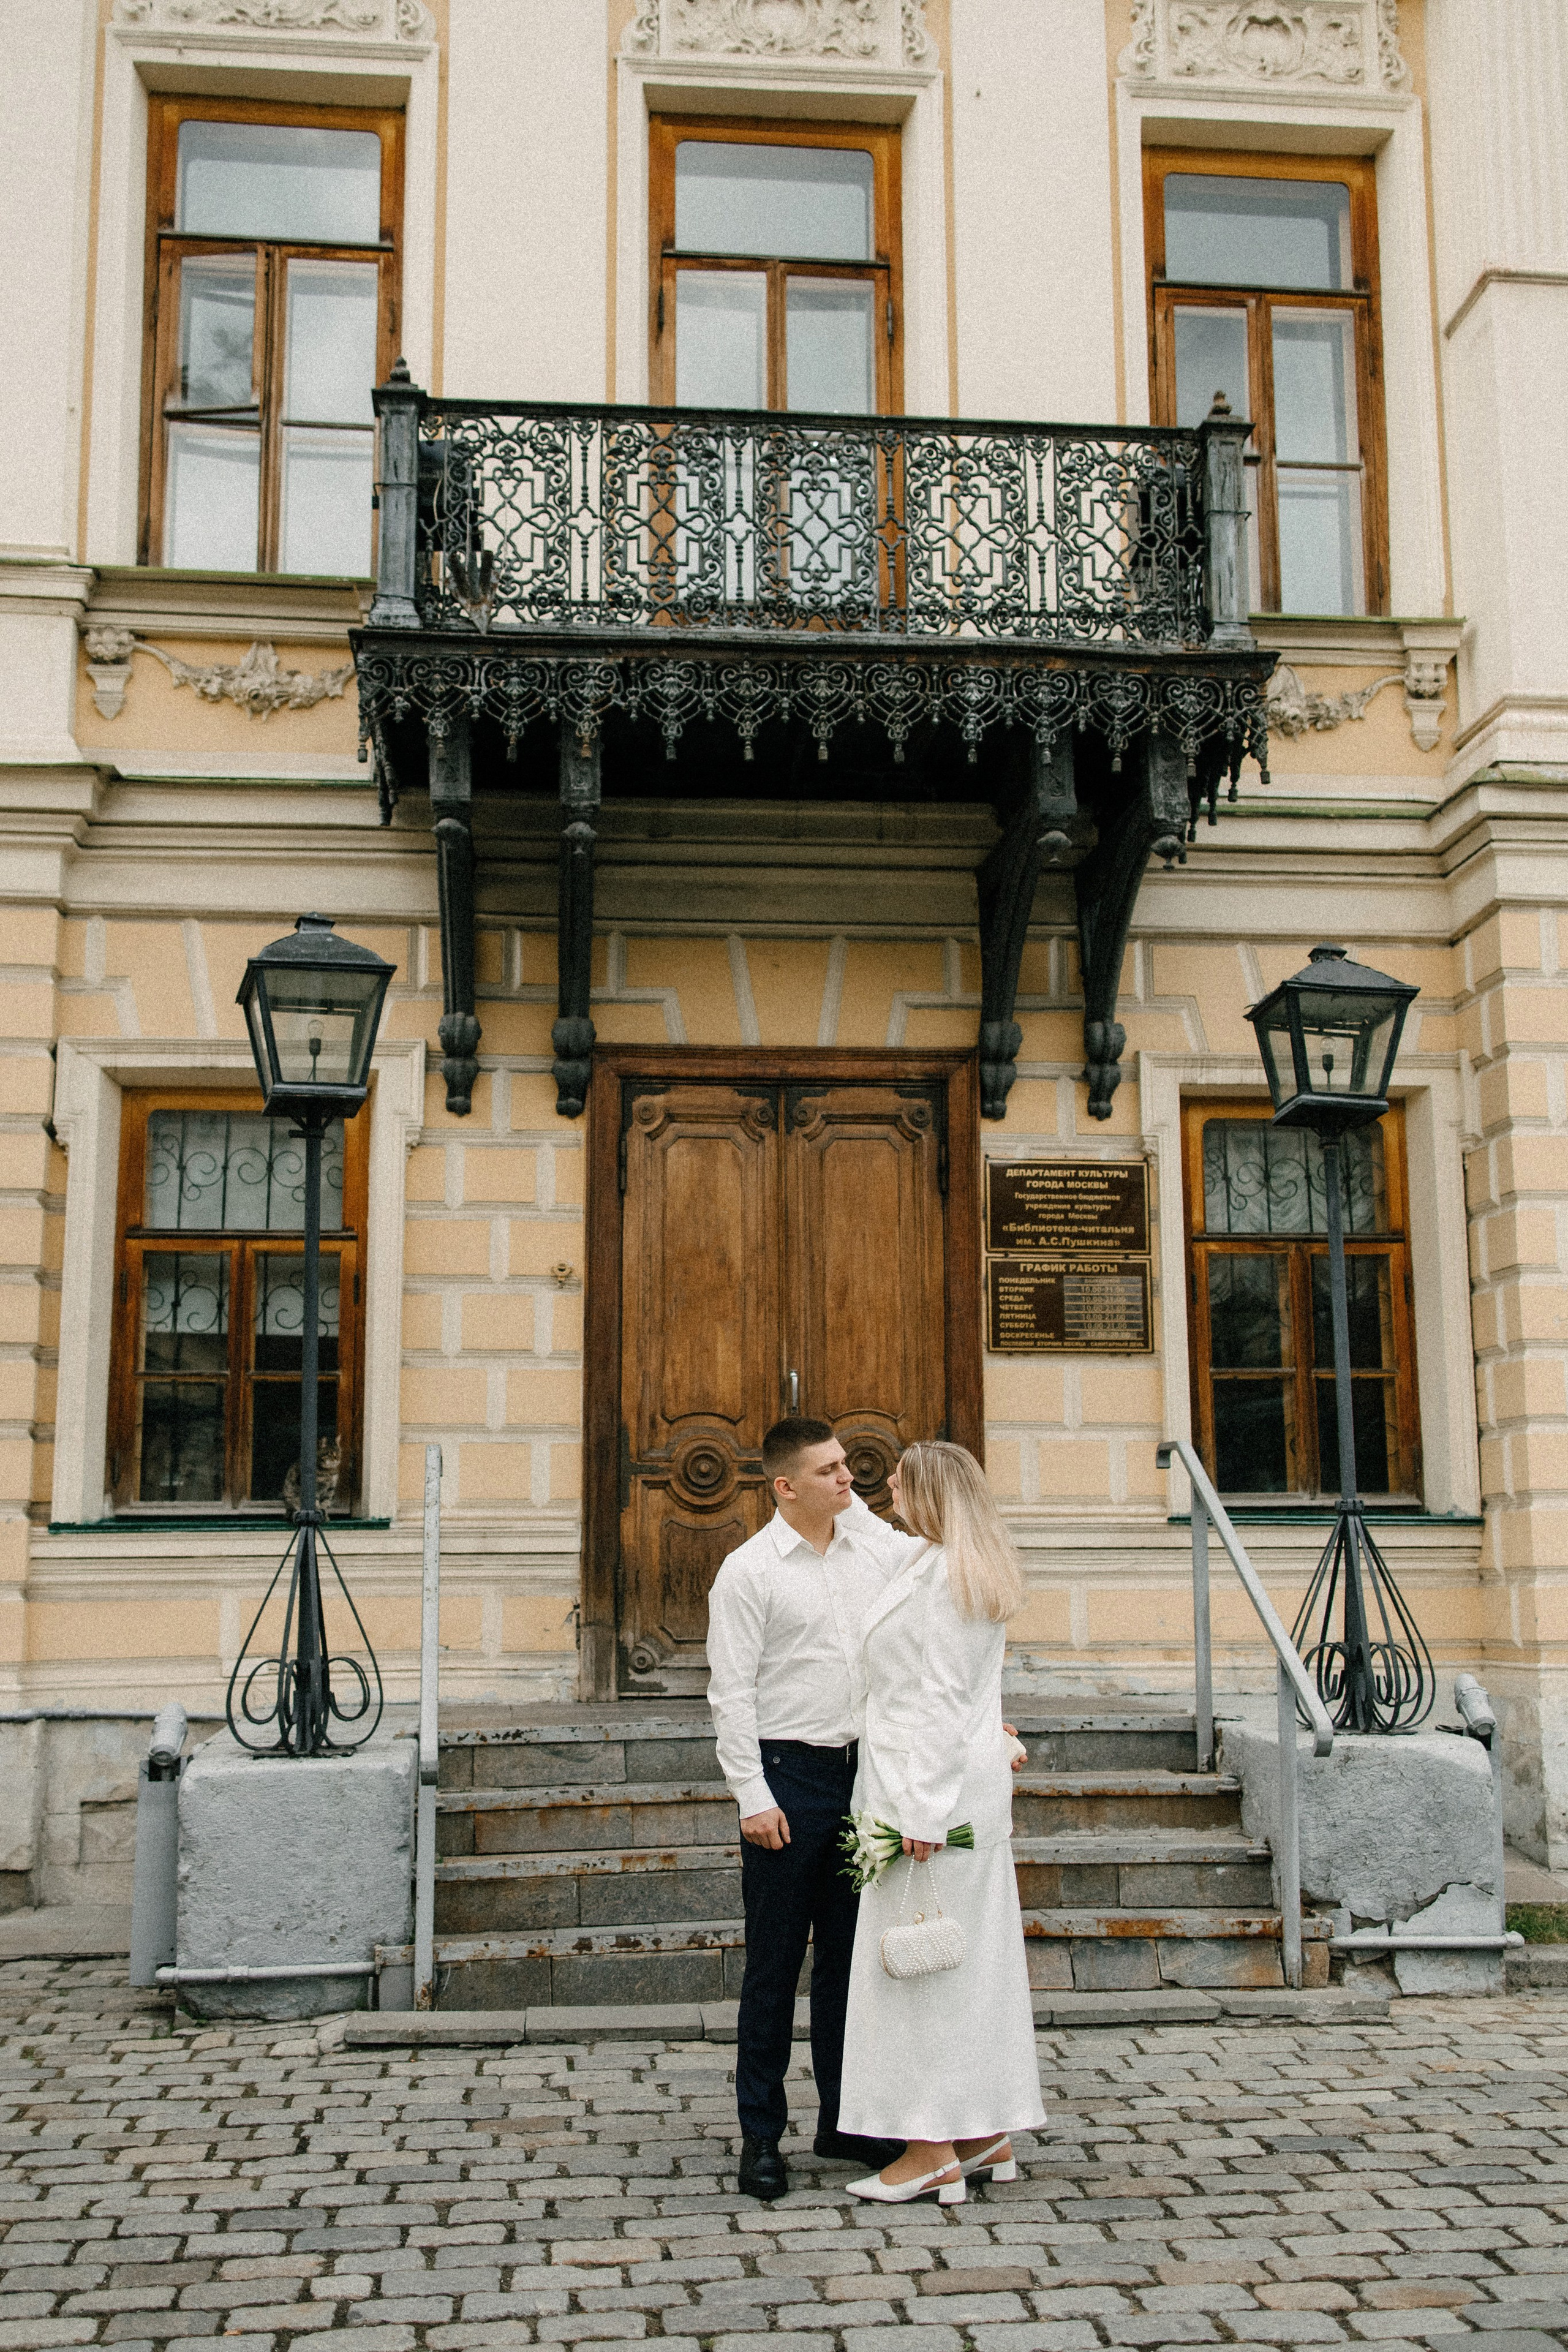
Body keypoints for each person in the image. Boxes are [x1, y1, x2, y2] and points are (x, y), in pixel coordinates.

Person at [706, 1417, 910, 2201]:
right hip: (788, 1777)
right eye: (827, 1472)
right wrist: (752, 1796)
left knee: (850, 1967)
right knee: (774, 1967)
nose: (847, 1479)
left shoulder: (874, 1549)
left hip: (864, 1778)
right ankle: (761, 2135)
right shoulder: (749, 1571)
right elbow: (731, 1693)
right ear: (784, 1486)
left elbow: (931, 1572)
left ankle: (847, 2120)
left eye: (845, 1467)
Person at [838, 1438, 1045, 2205]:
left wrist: (916, 1813)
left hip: (928, 1804)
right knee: (967, 1970)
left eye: (895, 1480)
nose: (882, 1485)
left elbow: (936, 1705)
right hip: (957, 1792)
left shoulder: (943, 1582)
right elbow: (875, 1534)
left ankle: (926, 2148)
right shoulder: (936, 1559)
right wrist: (833, 1490)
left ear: (927, 1494)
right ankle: (981, 2130)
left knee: (917, 1975)